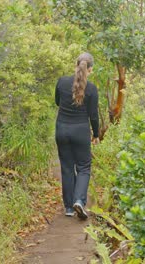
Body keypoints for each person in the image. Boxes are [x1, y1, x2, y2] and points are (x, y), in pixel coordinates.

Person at [55, 52, 100, 220]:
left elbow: (57, 102)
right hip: (81, 131)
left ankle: (68, 207)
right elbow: (93, 115)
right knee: (83, 167)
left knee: (67, 167)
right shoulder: (92, 89)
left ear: (76, 66)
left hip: (62, 130)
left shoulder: (62, 82)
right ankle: (79, 200)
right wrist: (96, 134)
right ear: (90, 70)